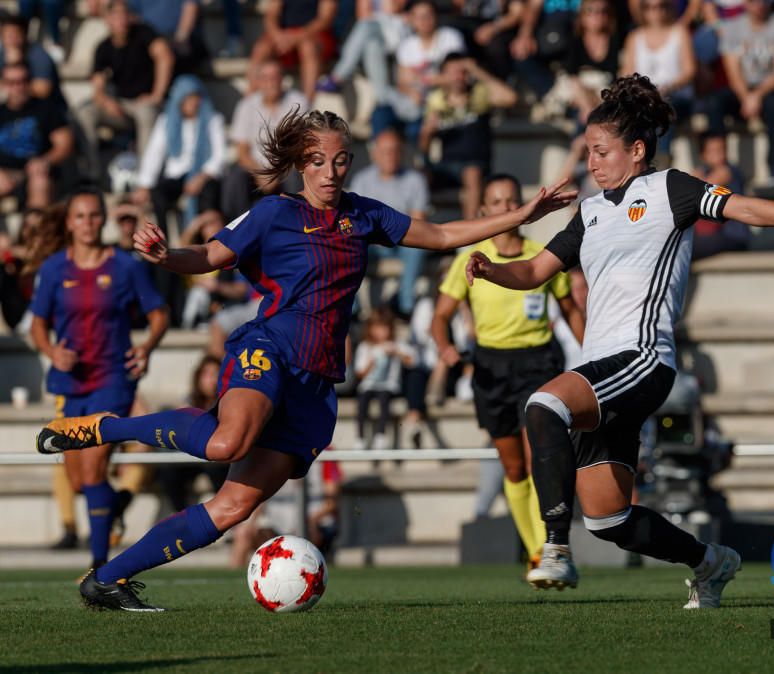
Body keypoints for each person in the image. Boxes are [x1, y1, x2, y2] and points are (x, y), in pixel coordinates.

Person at [36, 108, 576, 611]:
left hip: (316, 384)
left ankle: (106, 581)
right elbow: (209, 257)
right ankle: (109, 426)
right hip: (266, 350)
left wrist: (526, 214)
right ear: (300, 164)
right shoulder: (274, 212)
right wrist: (164, 255)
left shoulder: (363, 215)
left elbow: (438, 235)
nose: (330, 171)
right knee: (227, 442)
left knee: (232, 509)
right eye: (318, 160)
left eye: (341, 160)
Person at [465, 74, 774, 606]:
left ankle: (552, 548)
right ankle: (712, 562)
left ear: (636, 151)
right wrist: (490, 268)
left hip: (641, 358)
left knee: (544, 404)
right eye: (589, 151)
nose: (591, 162)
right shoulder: (590, 212)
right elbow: (533, 271)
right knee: (609, 520)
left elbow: (748, 208)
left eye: (601, 151)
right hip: (602, 372)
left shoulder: (669, 189)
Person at [431, 173, 585, 571]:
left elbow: (569, 309)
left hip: (538, 362)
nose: (504, 209)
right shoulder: (473, 257)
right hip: (491, 367)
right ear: (484, 211)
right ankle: (537, 549)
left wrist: (591, 352)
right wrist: (445, 346)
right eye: (496, 203)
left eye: (510, 201)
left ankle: (549, 551)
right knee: (513, 467)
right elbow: (441, 315)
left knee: (539, 457)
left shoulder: (541, 254)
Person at [30, 187, 169, 574]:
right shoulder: (54, 269)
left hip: (113, 380)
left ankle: (99, 568)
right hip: (69, 383)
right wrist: (52, 352)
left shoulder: (126, 267)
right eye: (80, 216)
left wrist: (146, 347)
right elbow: (38, 326)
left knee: (93, 470)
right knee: (79, 481)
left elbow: (159, 314)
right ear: (68, 223)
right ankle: (118, 504)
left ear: (103, 220)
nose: (88, 223)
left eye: (94, 215)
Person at [76, 0, 175, 178]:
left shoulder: (144, 33)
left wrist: (157, 95)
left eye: (124, 14)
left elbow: (165, 57)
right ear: (107, 19)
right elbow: (97, 89)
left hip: (145, 104)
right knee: (85, 112)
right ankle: (92, 173)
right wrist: (107, 103)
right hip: (121, 106)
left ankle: (146, 178)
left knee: (146, 112)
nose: (121, 20)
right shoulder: (103, 47)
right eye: (115, 15)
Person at [419, 54, 517, 219]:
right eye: (452, 72)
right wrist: (427, 132)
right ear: (443, 75)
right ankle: (419, 235)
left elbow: (510, 98)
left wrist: (476, 70)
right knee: (417, 177)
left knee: (471, 173)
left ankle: (470, 234)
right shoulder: (435, 101)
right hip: (446, 166)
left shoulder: (479, 94)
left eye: (462, 72)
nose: (458, 77)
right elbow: (423, 148)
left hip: (477, 166)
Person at [709, 0, 774, 187]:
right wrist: (746, 97)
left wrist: (757, 95)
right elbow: (733, 73)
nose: (760, 4)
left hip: (771, 89)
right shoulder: (732, 27)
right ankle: (717, 166)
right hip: (743, 89)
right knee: (715, 102)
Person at [349, 128, 430, 318]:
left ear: (401, 152)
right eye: (385, 151)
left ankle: (405, 306)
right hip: (371, 242)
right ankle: (352, 309)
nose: (390, 156)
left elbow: (419, 223)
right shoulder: (362, 180)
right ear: (375, 153)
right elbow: (355, 222)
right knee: (348, 243)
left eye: (394, 150)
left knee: (418, 245)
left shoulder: (415, 180)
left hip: (403, 240)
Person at [132, 74, 227, 233]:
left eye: (196, 97)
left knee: (208, 195)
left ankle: (204, 241)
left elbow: (220, 156)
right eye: (188, 98)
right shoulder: (167, 122)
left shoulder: (213, 120)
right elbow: (155, 153)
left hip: (203, 176)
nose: (193, 103)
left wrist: (201, 178)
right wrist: (144, 184)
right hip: (176, 176)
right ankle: (164, 240)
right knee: (158, 195)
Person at [222, 59, 308, 222]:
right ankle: (236, 226)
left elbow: (299, 145)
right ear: (258, 82)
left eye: (275, 77)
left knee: (295, 174)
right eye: (266, 78)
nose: (271, 83)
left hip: (286, 166)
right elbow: (242, 151)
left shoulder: (298, 102)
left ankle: (298, 224)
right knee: (235, 177)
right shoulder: (246, 105)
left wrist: (275, 172)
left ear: (282, 79)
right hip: (255, 168)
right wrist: (261, 172)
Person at [371, 0, 466, 140]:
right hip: (414, 103)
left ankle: (421, 160)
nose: (424, 21)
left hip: (441, 102)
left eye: (428, 16)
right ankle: (377, 154)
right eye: (419, 17)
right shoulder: (407, 45)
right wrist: (411, 91)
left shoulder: (451, 38)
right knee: (381, 114)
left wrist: (422, 80)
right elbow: (402, 82)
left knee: (416, 129)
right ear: (412, 20)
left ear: (436, 16)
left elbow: (457, 76)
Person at [620, 0, 696, 161]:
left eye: (661, 5)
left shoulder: (679, 32)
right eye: (649, 6)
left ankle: (661, 158)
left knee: (661, 106)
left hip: (676, 93)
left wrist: (668, 87)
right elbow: (626, 73)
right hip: (644, 96)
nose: (656, 10)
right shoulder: (634, 37)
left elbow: (690, 71)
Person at [155, 355, 229, 514]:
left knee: (216, 470)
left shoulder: (227, 402)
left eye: (215, 374)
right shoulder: (190, 401)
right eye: (206, 374)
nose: (210, 379)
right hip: (191, 457)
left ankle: (223, 514)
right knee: (169, 473)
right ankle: (181, 516)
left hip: (216, 459)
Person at [0, 61, 74, 210]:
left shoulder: (47, 109)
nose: (18, 87)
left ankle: (35, 230)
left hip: (39, 173)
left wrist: (45, 161)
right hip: (6, 173)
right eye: (12, 82)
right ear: (4, 84)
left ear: (30, 82)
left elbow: (65, 144)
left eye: (23, 81)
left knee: (39, 182)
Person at [249, 0, 338, 104]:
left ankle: (307, 104)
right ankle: (249, 100)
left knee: (307, 47)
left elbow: (325, 19)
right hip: (286, 36)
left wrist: (296, 36)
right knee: (261, 48)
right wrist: (277, 36)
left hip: (315, 36)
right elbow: (271, 14)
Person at [315, 0, 410, 95]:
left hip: (395, 34)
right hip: (374, 34)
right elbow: (362, 14)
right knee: (372, 45)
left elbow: (392, 10)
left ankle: (337, 77)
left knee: (365, 26)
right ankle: (382, 97)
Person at [354, 307, 416, 450]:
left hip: (388, 385)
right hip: (368, 385)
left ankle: (380, 435)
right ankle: (360, 438)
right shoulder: (365, 347)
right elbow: (360, 373)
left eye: (384, 328)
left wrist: (397, 353)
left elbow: (411, 360)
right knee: (362, 404)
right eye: (377, 328)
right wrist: (372, 362)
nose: (380, 332)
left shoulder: (395, 345)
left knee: (384, 401)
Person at [691, 132, 750, 259]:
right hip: (715, 235)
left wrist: (696, 178)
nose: (720, 155)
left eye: (723, 149)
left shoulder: (728, 171)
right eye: (713, 151)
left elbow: (699, 190)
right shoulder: (705, 171)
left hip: (733, 237)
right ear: (703, 155)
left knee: (686, 248)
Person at [127, 0, 210, 75]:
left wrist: (181, 38)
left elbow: (191, 6)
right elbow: (131, 13)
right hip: (151, 40)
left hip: (179, 41)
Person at [0, 10, 65, 106]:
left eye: (15, 35)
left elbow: (43, 90)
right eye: (7, 35)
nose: (11, 39)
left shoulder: (39, 55)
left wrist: (15, 64)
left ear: (24, 35)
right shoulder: (2, 53)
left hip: (46, 110)